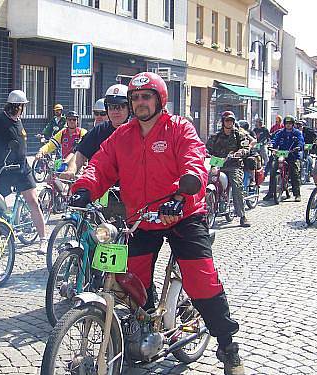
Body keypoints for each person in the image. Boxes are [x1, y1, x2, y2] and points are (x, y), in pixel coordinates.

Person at [69, 72, 244, 374]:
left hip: (182, 213)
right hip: (142, 218)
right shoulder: (121, 136)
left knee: (201, 278)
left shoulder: (179, 129)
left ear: (160, 99)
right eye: (134, 98)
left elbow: (194, 162)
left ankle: (228, 347)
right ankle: (146, 326)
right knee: (130, 279)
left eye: (145, 96)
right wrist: (84, 187)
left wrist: (180, 195)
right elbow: (101, 164)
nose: (139, 103)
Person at [0, 90, 48, 253]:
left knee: (33, 201)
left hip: (22, 169)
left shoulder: (18, 120)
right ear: (17, 107)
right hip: (2, 171)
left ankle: (43, 239)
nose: (21, 109)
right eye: (21, 106)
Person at [61, 84, 130, 179]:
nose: (115, 111)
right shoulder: (98, 130)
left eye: (120, 107)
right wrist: (71, 170)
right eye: (111, 107)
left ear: (129, 108)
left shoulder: (137, 131)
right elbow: (80, 154)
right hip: (99, 186)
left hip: (128, 187)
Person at [206, 111, 253, 227]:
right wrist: (205, 153)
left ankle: (242, 216)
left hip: (234, 165)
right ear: (223, 122)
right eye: (227, 120)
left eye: (231, 121)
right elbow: (206, 148)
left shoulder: (239, 135)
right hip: (217, 164)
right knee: (204, 180)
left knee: (237, 186)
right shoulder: (215, 136)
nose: (229, 123)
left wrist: (239, 153)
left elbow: (246, 147)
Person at [263, 115, 304, 202]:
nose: (288, 125)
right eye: (287, 123)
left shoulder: (297, 133)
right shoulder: (280, 132)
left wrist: (298, 147)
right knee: (273, 170)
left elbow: (301, 141)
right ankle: (270, 193)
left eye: (290, 123)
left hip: (292, 155)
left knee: (294, 172)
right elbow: (275, 140)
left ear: (293, 124)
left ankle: (297, 194)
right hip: (281, 154)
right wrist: (271, 145)